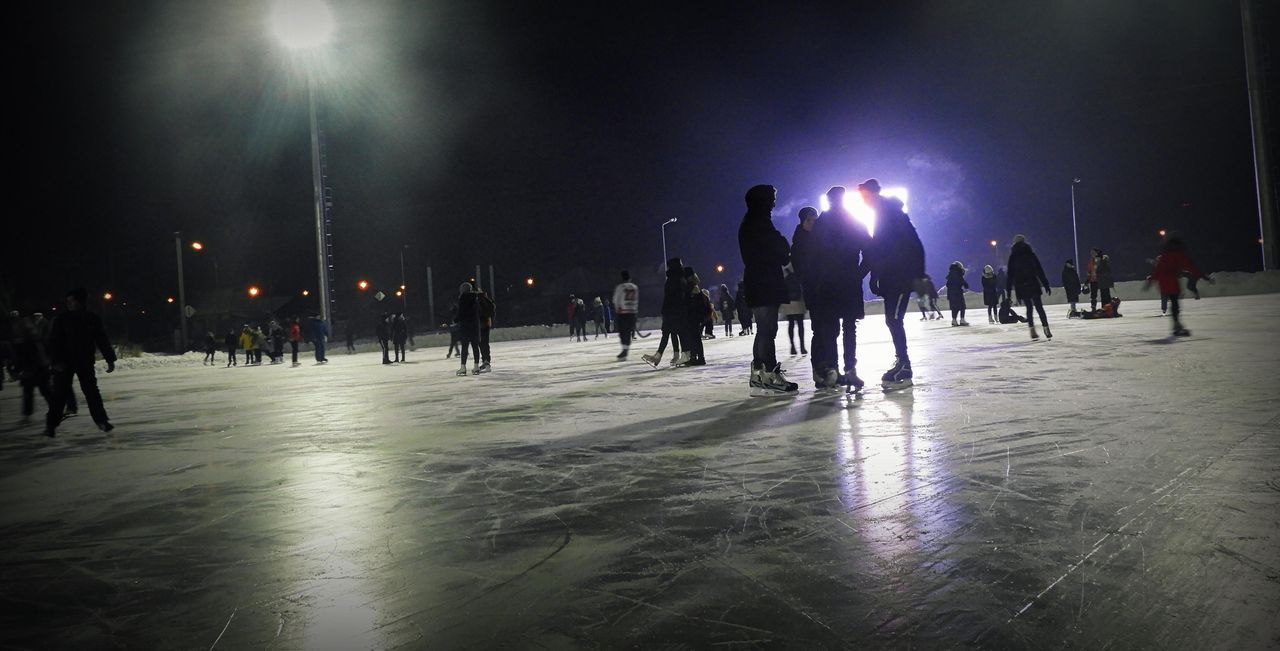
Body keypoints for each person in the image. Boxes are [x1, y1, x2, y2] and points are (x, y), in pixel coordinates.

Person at [803, 187, 870, 390]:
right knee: (849, 327)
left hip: (827, 284)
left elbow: (810, 257)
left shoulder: (821, 224)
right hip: (848, 282)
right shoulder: (854, 221)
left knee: (830, 328)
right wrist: (859, 273)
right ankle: (850, 369)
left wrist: (815, 282)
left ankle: (833, 369)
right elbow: (870, 250)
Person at [860, 178, 924, 389]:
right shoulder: (882, 213)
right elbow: (879, 250)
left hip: (899, 277)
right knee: (892, 320)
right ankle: (901, 361)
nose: (863, 201)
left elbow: (913, 244)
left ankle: (905, 365)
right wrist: (873, 275)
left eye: (864, 196)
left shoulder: (891, 214)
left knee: (894, 320)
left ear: (871, 193)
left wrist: (917, 275)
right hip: (892, 277)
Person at [737, 184, 798, 393]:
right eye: (771, 198)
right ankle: (770, 374)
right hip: (763, 281)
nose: (774, 203)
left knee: (764, 330)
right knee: (767, 330)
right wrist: (781, 244)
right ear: (762, 200)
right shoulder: (758, 222)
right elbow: (781, 249)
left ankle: (758, 374)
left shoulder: (751, 222)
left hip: (758, 281)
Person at [44, 288, 116, 436]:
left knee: (92, 393)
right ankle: (51, 425)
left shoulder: (92, 318)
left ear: (81, 302)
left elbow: (102, 339)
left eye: (72, 300)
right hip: (64, 364)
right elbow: (53, 342)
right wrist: (55, 361)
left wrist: (110, 358)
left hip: (84, 362)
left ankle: (102, 421)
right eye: (68, 301)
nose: (69, 303)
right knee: (59, 395)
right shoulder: (61, 319)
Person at [1145, 232, 1208, 337]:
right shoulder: (1178, 255)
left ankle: (1176, 325)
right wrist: (1204, 276)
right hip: (1172, 282)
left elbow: (1157, 271)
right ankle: (1177, 325)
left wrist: (1150, 281)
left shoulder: (1164, 256)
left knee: (1173, 302)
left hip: (1164, 283)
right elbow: (1190, 266)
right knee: (1175, 303)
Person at [1006, 234, 1053, 340]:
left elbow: (1010, 275)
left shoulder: (1013, 256)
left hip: (1021, 285)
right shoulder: (1030, 253)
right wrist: (1046, 284)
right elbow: (1039, 270)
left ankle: (1032, 331)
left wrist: (1008, 292)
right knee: (1039, 307)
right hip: (1032, 282)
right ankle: (1046, 328)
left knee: (1029, 308)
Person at [642, 259, 685, 367]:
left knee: (668, 333)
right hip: (675, 311)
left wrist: (665, 311)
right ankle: (673, 354)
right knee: (672, 333)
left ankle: (661, 355)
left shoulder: (672, 280)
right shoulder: (679, 279)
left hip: (671, 312)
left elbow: (670, 298)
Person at [681, 266, 708, 366]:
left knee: (694, 337)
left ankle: (699, 358)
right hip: (695, 316)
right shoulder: (694, 285)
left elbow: (691, 303)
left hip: (693, 316)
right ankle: (696, 357)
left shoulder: (692, 287)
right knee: (694, 337)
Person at [779, 266, 807, 355]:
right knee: (800, 324)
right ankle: (802, 347)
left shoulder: (784, 268)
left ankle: (792, 347)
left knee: (791, 324)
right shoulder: (799, 266)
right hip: (799, 300)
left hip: (788, 301)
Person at [455, 282, 481, 375]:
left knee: (465, 347)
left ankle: (463, 367)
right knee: (475, 346)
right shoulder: (476, 298)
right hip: (474, 325)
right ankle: (476, 366)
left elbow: (461, 312)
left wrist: (456, 320)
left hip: (465, 326)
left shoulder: (462, 299)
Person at [613, 270, 639, 360]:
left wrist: (617, 309)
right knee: (628, 332)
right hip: (632, 312)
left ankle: (624, 350)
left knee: (623, 332)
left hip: (623, 313)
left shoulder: (620, 287)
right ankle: (625, 350)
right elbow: (636, 300)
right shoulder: (635, 287)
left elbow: (616, 300)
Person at [1088, 248, 1114, 312]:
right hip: (1095, 280)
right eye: (1091, 253)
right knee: (1095, 295)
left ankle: (1106, 308)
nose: (1092, 254)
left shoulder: (1101, 260)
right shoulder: (1092, 261)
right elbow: (1090, 270)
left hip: (1100, 280)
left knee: (1105, 294)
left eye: (1093, 252)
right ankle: (1095, 308)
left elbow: (1104, 270)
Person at [944, 261, 970, 326]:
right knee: (962, 307)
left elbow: (947, 285)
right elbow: (965, 285)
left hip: (951, 294)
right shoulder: (959, 274)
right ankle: (962, 320)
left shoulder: (950, 275)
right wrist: (964, 285)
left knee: (954, 308)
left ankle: (954, 320)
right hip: (958, 293)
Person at [477, 291, 495, 372]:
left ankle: (486, 361)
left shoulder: (478, 301)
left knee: (482, 344)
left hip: (480, 325)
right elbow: (492, 309)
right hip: (486, 324)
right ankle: (486, 361)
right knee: (485, 343)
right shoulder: (487, 300)